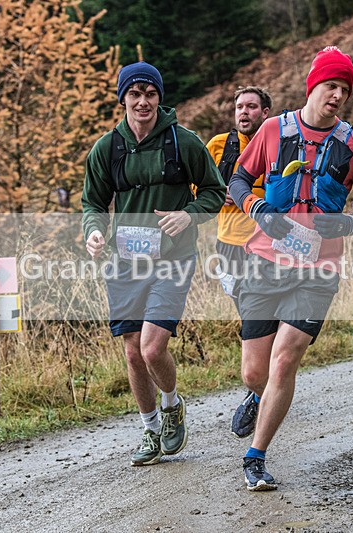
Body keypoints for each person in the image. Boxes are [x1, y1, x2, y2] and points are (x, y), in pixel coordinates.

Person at [228, 46, 353, 491]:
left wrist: (349, 223)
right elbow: (238, 178)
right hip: (263, 261)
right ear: (312, 86)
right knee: (255, 372)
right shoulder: (272, 130)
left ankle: (255, 456)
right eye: (330, 85)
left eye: (344, 89)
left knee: (284, 361)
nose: (337, 95)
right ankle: (256, 396)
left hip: (319, 268)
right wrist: (256, 206)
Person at [81, 62, 225, 466]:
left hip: (172, 260)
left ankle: (171, 404)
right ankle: (149, 429)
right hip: (124, 263)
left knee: (152, 346)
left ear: (159, 98)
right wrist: (94, 231)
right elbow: (93, 202)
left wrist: (189, 215)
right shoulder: (107, 149)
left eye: (150, 94)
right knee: (131, 352)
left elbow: (215, 192)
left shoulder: (183, 142)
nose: (143, 102)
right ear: (123, 98)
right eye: (135, 94)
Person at [205, 86, 272, 439]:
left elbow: (287, 191)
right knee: (246, 313)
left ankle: (256, 391)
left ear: (265, 112)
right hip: (228, 243)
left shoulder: (277, 143)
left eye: (251, 107)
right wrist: (219, 193)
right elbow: (197, 189)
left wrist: (247, 194)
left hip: (265, 244)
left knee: (256, 316)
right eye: (239, 107)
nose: (243, 112)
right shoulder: (218, 145)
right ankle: (263, 382)